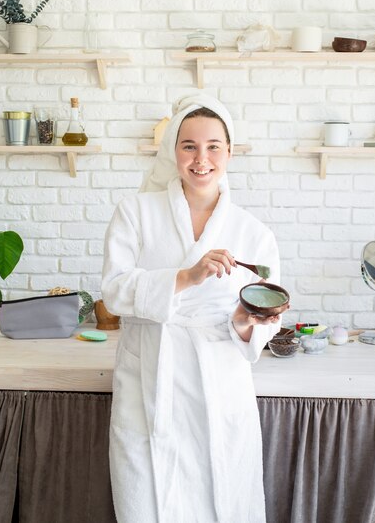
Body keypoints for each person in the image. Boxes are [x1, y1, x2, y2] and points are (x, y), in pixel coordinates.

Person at [101, 93, 282, 523]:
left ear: (230, 152)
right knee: (146, 500)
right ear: (173, 151)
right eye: (189, 146)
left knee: (222, 497)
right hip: (150, 376)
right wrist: (186, 276)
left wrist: (245, 324)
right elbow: (113, 291)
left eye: (213, 146)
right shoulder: (135, 212)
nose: (202, 158)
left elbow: (264, 318)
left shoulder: (254, 233)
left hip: (219, 383)